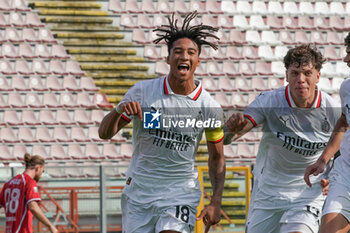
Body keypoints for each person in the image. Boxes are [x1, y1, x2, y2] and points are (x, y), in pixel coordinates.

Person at [99, 11, 226, 233]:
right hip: (139, 192)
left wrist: (215, 201)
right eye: (177, 52)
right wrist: (119, 111)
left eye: (190, 52)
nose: (184, 56)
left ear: (198, 60)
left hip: (180, 192)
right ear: (168, 58)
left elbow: (216, 157)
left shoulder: (209, 107)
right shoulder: (143, 93)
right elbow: (104, 133)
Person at [224, 44, 341, 233]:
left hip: (308, 193)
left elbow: (343, 150)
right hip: (268, 191)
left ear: (318, 76)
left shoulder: (332, 110)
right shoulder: (270, 101)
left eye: (307, 73)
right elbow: (229, 138)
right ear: (286, 76)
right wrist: (230, 130)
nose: (300, 80)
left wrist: (334, 177)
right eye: (295, 73)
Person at [304, 32, 350, 233]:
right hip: (345, 175)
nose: (345, 59)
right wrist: (324, 160)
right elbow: (344, 121)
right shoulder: (347, 87)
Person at [0, 153, 58, 233]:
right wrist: (50, 226)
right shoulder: (29, 182)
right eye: (42, 171)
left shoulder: (8, 183)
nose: (41, 174)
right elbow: (33, 206)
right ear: (38, 168)